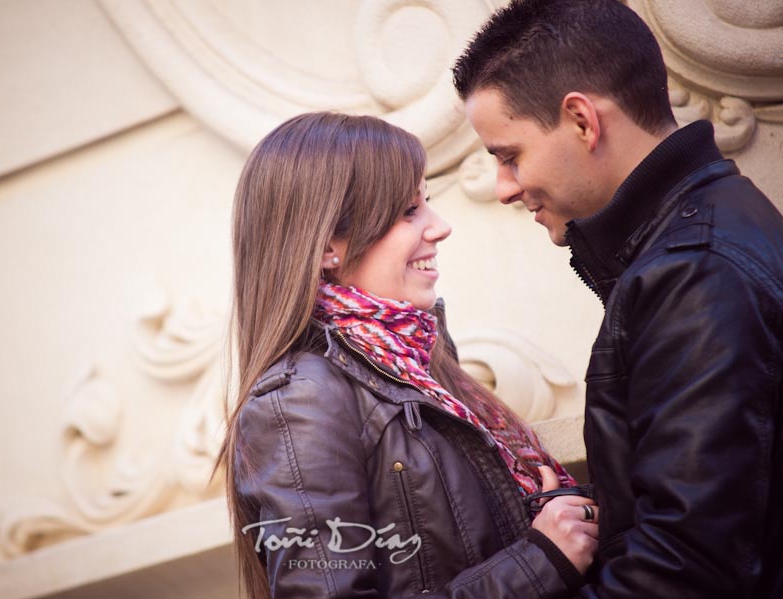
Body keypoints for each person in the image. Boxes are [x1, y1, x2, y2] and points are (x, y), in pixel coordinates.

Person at [452, 1, 783, 598]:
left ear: (582, 120)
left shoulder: (694, 272)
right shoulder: (699, 238)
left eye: (509, 156)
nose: (504, 188)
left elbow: (685, 570)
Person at [217, 111, 598, 598]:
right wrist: (539, 563)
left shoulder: (418, 360)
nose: (440, 228)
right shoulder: (298, 403)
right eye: (407, 211)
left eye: (428, 203)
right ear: (329, 245)